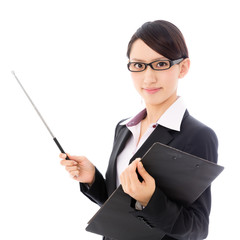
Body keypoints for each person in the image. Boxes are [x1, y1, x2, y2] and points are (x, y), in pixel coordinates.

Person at [60, 20, 218, 240]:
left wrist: (150, 199)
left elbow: (197, 229)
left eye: (160, 64)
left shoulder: (198, 136)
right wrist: (92, 179)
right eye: (138, 65)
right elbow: (120, 208)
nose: (148, 77)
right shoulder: (124, 128)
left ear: (183, 67)